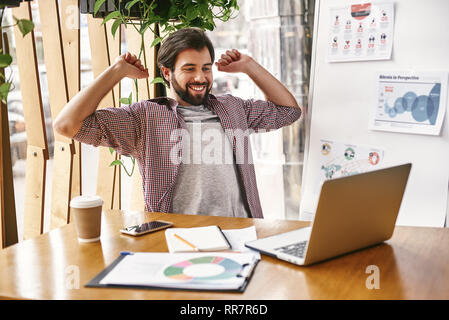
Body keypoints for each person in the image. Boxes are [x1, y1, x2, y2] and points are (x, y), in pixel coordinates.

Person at [54, 27, 302, 219]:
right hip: (178, 238)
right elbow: (67, 124)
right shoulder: (145, 119)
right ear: (166, 73)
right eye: (189, 68)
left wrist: (249, 66)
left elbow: (288, 111)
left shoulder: (233, 108)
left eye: (206, 68)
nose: (200, 77)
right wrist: (117, 71)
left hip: (240, 233)